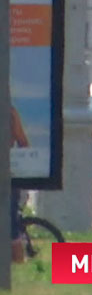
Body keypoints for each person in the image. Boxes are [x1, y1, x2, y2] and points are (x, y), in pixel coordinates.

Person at [11, 106, 30, 263]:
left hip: (8, 176)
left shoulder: (9, 112)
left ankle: (19, 265)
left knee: (11, 227)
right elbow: (23, 143)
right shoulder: (10, 111)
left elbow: (23, 142)